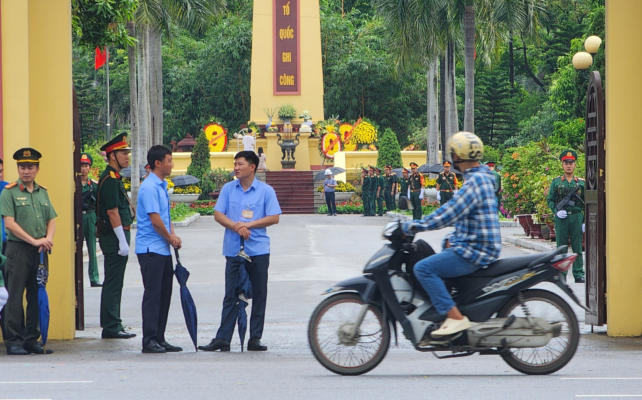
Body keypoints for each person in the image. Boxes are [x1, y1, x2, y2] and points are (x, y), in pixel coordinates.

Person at [403, 132, 501, 338]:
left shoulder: (473, 184)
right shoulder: (483, 177)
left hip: (475, 250)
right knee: (444, 246)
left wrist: (414, 226)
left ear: (459, 157)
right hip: (479, 243)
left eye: (453, 154)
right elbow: (466, 217)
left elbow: (445, 215)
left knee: (424, 268)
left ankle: (455, 317)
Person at [199, 151, 281, 352]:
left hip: (258, 250)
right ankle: (223, 338)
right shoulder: (228, 189)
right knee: (231, 294)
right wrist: (237, 227)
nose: (236, 167)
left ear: (252, 167)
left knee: (259, 294)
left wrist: (249, 225)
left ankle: (255, 338)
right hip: (234, 249)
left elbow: (274, 217)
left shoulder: (266, 191)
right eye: (234, 164)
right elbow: (218, 215)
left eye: (240, 164)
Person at [1, 148, 57, 355]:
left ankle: (31, 339)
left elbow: (51, 218)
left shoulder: (43, 192)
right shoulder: (10, 192)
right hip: (18, 249)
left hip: (40, 250)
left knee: (36, 293)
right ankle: (13, 340)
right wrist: (34, 240)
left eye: (30, 167)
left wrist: (48, 239)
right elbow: (9, 223)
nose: (26, 171)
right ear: (18, 168)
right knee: (14, 296)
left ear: (37, 169)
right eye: (22, 167)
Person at [136, 145, 183, 354]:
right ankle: (149, 340)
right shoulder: (149, 187)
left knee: (165, 294)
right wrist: (170, 238)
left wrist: (172, 236)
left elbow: (166, 217)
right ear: (158, 163)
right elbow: (155, 221)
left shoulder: (161, 186)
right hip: (150, 249)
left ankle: (160, 337)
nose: (172, 164)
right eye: (169, 160)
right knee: (153, 295)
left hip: (162, 248)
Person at [97, 133, 136, 339]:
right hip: (114, 237)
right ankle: (111, 325)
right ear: (112, 156)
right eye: (123, 153)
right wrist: (121, 240)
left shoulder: (114, 177)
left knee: (116, 281)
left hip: (116, 235)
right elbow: (113, 212)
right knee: (113, 281)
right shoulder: (110, 179)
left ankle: (114, 323)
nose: (127, 157)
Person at [547, 150, 585, 283]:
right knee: (561, 247)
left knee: (577, 247)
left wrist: (584, 221)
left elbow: (587, 203)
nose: (569, 165)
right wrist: (555, 211)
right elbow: (550, 199)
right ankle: (561, 274)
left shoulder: (581, 183)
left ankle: (578, 273)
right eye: (566, 163)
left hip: (576, 216)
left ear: (575, 165)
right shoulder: (556, 182)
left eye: (571, 163)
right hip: (561, 217)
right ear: (562, 165)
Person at [79, 153, 101, 287]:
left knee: (92, 248)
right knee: (77, 249)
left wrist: (98, 221)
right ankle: (77, 277)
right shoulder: (74, 184)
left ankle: (94, 278)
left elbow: (99, 204)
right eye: (81, 165)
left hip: (91, 216)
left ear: (89, 167)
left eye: (86, 165)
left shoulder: (93, 185)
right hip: (79, 217)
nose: (83, 168)